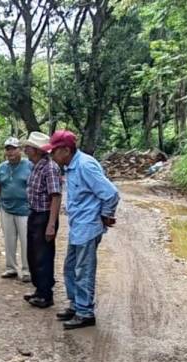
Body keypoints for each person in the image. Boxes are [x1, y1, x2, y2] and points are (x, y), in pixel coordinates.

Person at [43, 130, 120, 330]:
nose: (52, 156)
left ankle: (85, 312)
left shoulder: (85, 165)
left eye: (54, 152)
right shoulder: (70, 167)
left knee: (83, 270)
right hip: (78, 226)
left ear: (66, 150)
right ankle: (76, 305)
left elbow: (111, 193)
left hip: (88, 227)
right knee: (70, 267)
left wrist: (105, 214)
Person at [22, 132, 63, 308]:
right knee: (33, 254)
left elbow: (55, 197)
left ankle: (46, 294)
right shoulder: (36, 166)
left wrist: (51, 224)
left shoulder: (50, 168)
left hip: (44, 215)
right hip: (35, 213)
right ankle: (39, 289)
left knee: (43, 256)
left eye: (28, 147)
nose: (25, 150)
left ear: (37, 150)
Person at [0, 137, 32, 282]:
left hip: (25, 209)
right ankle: (11, 268)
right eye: (8, 149)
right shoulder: (2, 167)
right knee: (9, 240)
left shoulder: (29, 165)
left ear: (20, 150)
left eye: (13, 148)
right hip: (6, 208)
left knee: (26, 241)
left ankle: (27, 271)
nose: (11, 152)